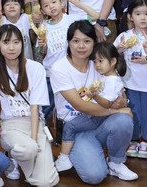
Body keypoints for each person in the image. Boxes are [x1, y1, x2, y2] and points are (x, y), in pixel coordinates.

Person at [48, 21, 137, 183]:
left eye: (87, 41)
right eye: (76, 41)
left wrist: (122, 101)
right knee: (95, 176)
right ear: (68, 42)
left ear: (94, 42)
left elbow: (118, 91)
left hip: (101, 121)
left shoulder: (99, 62)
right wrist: (116, 110)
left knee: (124, 120)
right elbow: (80, 105)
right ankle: (85, 151)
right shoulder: (59, 68)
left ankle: (116, 162)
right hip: (76, 128)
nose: (81, 46)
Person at [0, 25, 57, 187]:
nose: (11, 47)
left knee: (46, 183)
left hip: (35, 124)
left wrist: (34, 141)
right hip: (11, 126)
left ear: (22, 44)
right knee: (28, 149)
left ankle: (18, 156)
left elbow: (35, 107)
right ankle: (12, 155)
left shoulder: (35, 68)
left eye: (16, 42)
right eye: (6, 42)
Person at [54, 41, 126, 174]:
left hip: (95, 117)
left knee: (70, 127)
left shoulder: (111, 79)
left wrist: (95, 95)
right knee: (95, 175)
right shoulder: (107, 75)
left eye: (100, 61)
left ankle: (63, 157)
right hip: (92, 116)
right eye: (95, 61)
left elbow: (107, 103)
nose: (97, 64)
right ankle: (77, 154)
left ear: (113, 61)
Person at [114, 0, 147, 159]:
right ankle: (134, 139)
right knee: (133, 111)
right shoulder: (124, 36)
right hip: (129, 83)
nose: (142, 18)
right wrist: (119, 49)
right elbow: (112, 55)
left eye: (146, 14)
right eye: (138, 14)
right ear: (130, 16)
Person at [32, 0, 92, 69]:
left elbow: (95, 16)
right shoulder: (43, 27)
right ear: (43, 11)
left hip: (73, 68)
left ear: (61, 3)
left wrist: (79, 4)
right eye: (46, 5)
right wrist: (43, 46)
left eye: (54, 2)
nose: (51, 6)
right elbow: (42, 52)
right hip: (51, 70)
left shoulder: (73, 19)